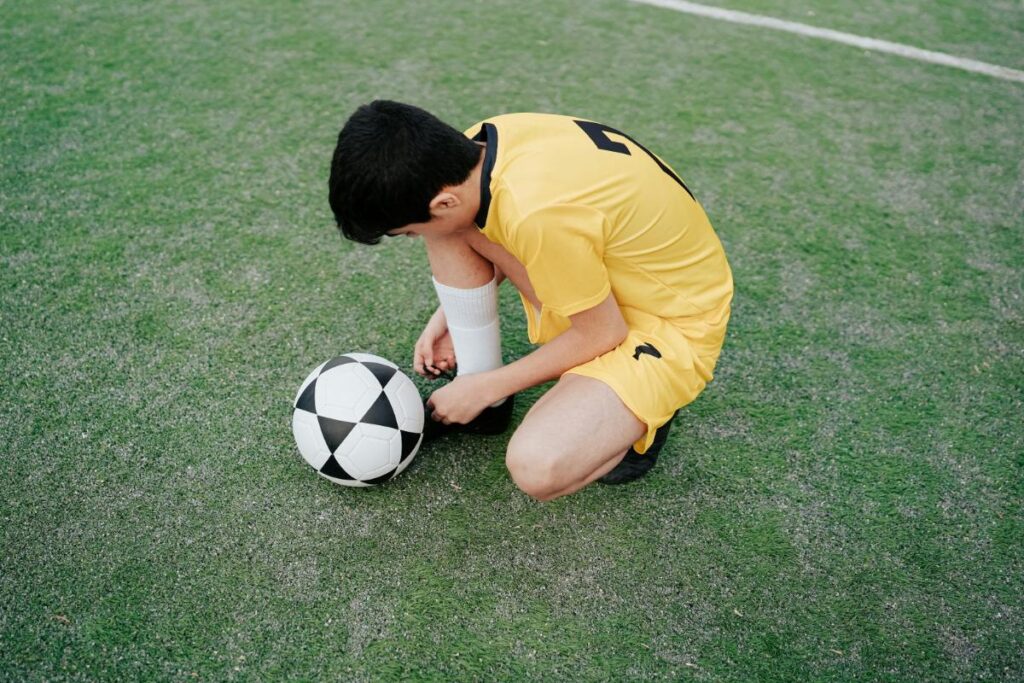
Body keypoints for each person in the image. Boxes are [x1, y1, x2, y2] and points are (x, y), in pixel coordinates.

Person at [328, 100, 733, 501]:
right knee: (447, 229)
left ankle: (644, 415)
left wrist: (485, 386)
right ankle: (488, 403)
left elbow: (603, 331)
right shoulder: (477, 145)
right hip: (610, 280)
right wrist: (448, 316)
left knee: (537, 466)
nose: (413, 238)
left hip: (670, 322)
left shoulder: (537, 213)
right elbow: (508, 227)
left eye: (407, 232)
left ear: (443, 201)